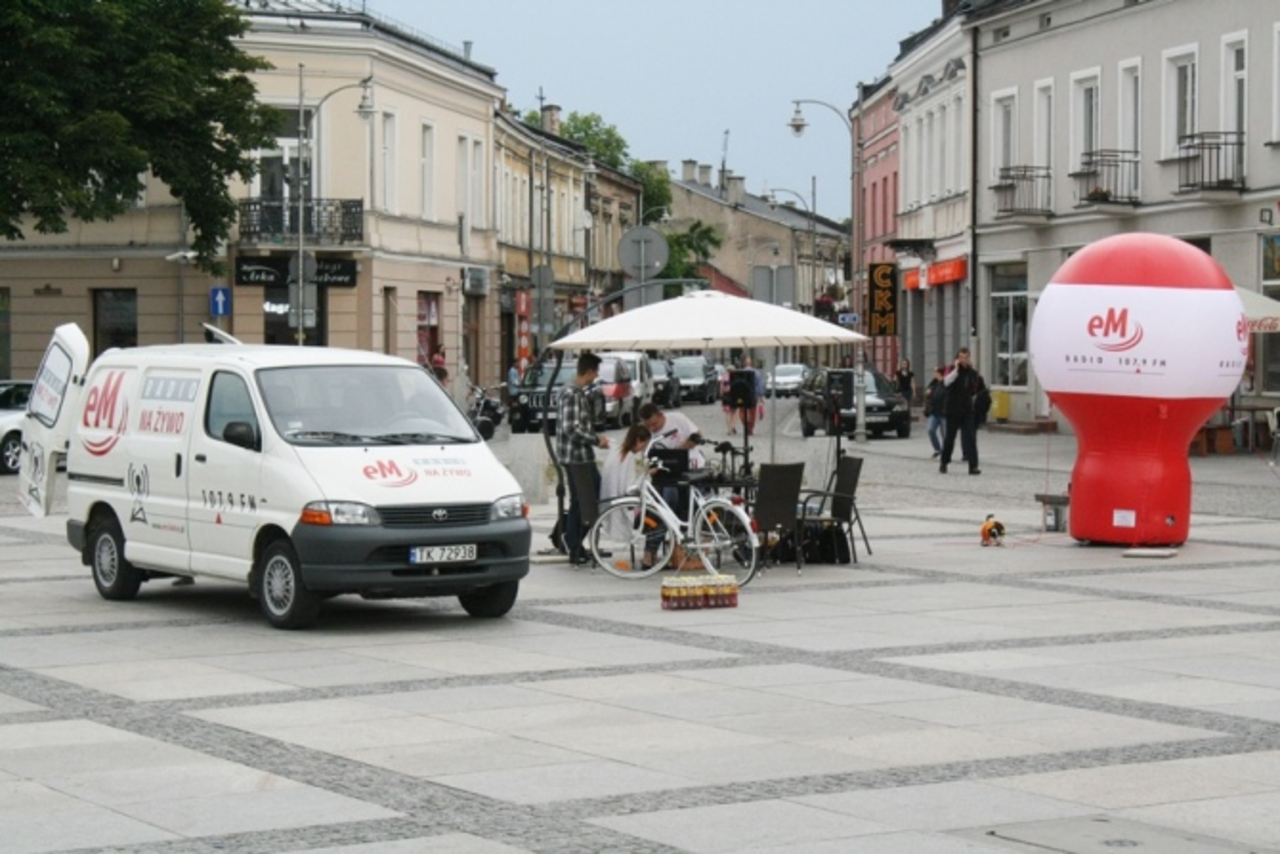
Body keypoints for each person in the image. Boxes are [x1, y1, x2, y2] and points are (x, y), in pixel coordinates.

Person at [556, 352, 609, 564]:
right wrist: (596, 440)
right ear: (589, 372)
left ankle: (574, 543)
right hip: (577, 457)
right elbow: (571, 428)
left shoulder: (574, 392)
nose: (596, 377)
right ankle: (573, 544)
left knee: (583, 500)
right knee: (585, 501)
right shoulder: (572, 394)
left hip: (578, 456)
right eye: (596, 372)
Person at [939, 347, 981, 475]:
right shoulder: (951, 369)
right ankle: (944, 462)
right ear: (957, 358)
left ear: (969, 358)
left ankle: (973, 466)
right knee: (950, 438)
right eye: (961, 357)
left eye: (966, 357)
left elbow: (974, 389)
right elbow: (946, 382)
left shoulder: (972, 373)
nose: (964, 360)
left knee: (971, 437)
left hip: (967, 409)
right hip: (952, 409)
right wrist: (956, 369)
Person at [738, 356, 766, 436]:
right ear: (751, 363)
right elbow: (759, 386)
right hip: (753, 394)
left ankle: (745, 424)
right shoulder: (756, 373)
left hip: (743, 394)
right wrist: (760, 396)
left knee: (742, 411)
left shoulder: (740, 372)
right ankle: (750, 427)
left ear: (744, 363)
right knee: (752, 412)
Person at [924, 365, 947, 458]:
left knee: (945, 434)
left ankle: (945, 451)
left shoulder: (946, 383)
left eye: (935, 372)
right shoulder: (933, 383)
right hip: (934, 412)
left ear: (940, 373)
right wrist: (928, 393)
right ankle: (937, 449)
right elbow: (928, 394)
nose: (934, 374)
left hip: (944, 412)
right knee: (931, 430)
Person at [719, 368, 736, 434]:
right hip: (734, 395)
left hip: (726, 395)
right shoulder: (735, 377)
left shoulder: (724, 377)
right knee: (733, 413)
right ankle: (732, 426)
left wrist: (721, 395)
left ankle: (729, 429)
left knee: (727, 413)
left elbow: (721, 387)